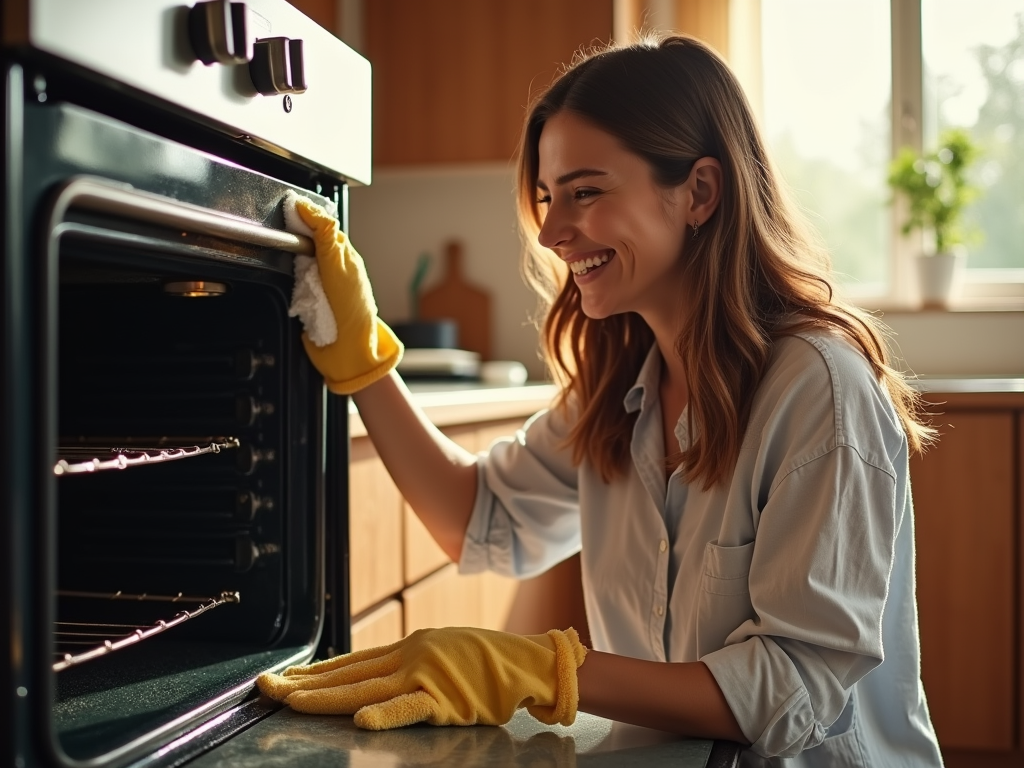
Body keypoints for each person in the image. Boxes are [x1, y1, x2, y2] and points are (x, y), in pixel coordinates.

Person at [258, 34, 945, 767]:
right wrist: (365, 365)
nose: (553, 231)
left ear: (700, 193)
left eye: (585, 192)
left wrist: (544, 671)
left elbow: (794, 685)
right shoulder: (619, 388)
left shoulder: (819, 391)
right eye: (549, 197)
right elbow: (477, 518)